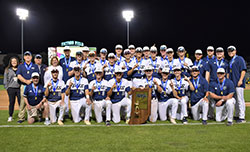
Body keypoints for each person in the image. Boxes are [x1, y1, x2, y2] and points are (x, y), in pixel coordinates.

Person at [16, 51, 39, 123]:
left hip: (33, 85)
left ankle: (36, 115)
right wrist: (26, 81)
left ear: (31, 57)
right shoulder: (21, 66)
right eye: (26, 55)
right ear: (24, 57)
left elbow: (37, 75)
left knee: (34, 100)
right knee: (22, 102)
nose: (27, 57)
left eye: (29, 55)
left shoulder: (35, 66)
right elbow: (18, 75)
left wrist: (31, 81)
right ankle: (21, 117)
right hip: (24, 85)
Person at [227, 46, 247, 123]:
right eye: (229, 51)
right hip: (233, 83)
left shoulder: (239, 58)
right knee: (235, 99)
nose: (230, 52)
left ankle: (242, 117)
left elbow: (243, 70)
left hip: (238, 83)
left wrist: (241, 80)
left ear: (235, 51)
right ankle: (237, 114)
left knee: (240, 99)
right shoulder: (231, 61)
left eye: (232, 51)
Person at [59, 47, 76, 118]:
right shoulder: (61, 60)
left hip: (72, 80)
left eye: (68, 51)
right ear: (64, 52)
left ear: (70, 51)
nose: (67, 52)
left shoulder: (73, 59)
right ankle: (66, 113)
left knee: (73, 97)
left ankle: (74, 112)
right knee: (65, 97)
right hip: (64, 80)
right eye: (65, 51)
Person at [4, 57, 21, 122]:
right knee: (11, 102)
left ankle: (21, 116)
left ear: (17, 62)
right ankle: (10, 116)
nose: (14, 62)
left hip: (19, 88)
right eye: (12, 61)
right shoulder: (7, 69)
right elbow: (5, 80)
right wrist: (7, 88)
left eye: (15, 61)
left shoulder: (20, 69)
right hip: (11, 89)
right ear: (10, 62)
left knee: (20, 103)